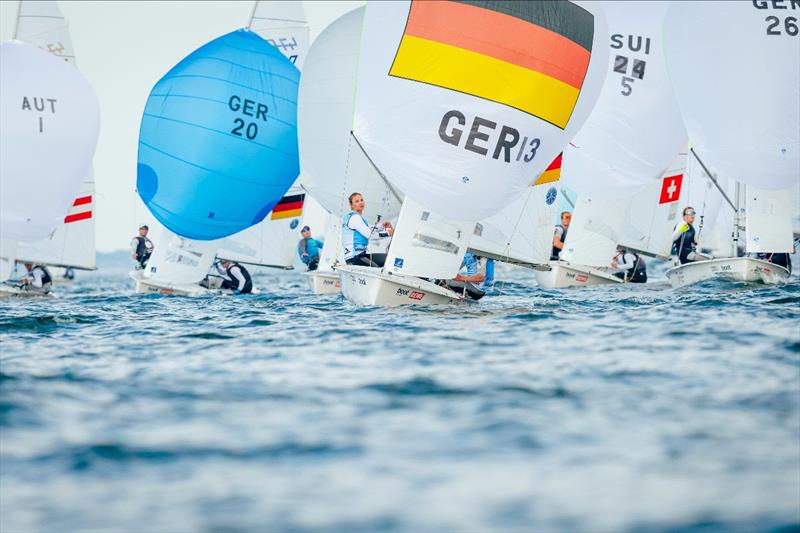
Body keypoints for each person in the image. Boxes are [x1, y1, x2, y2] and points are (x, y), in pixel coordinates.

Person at [342, 192, 394, 267]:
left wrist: (382, 226)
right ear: (351, 205)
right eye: (357, 201)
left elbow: (369, 228)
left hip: (358, 257)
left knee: (388, 259)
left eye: (361, 200)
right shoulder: (355, 218)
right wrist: (388, 233)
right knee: (382, 265)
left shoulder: (356, 218)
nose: (360, 202)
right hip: (355, 258)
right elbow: (370, 236)